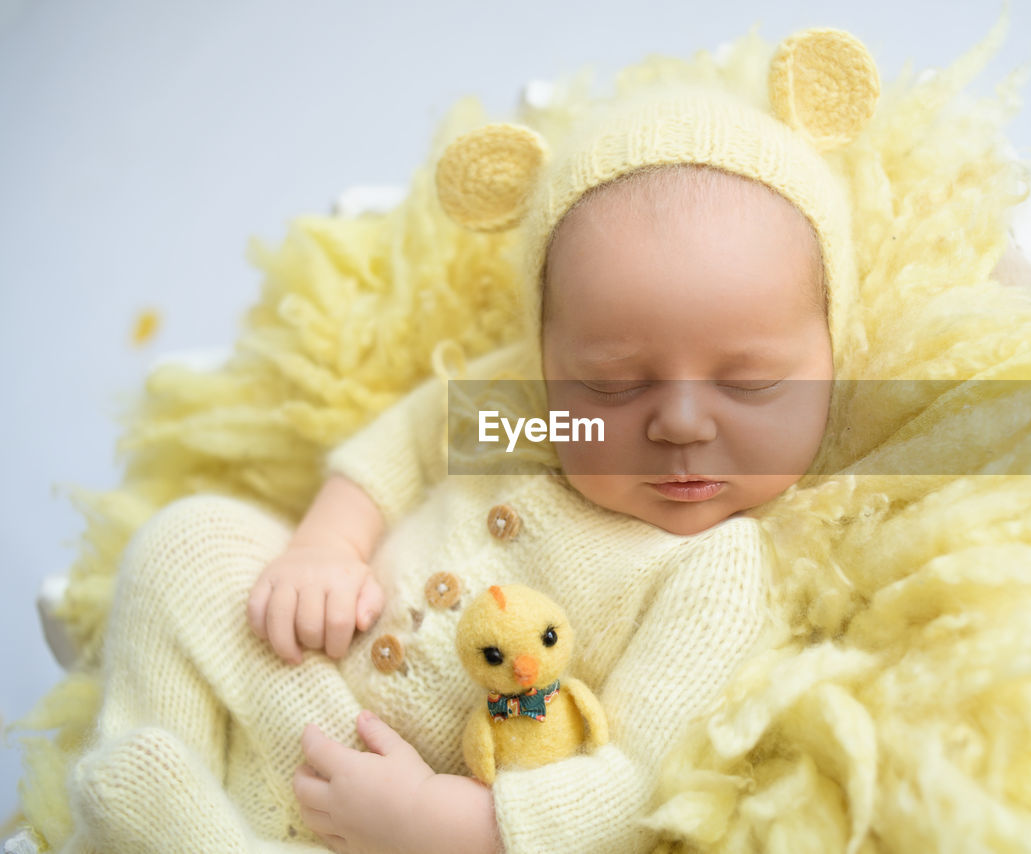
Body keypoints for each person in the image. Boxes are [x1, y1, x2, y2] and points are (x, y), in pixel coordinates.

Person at [63, 26, 901, 854]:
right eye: (613, 383)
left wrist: (442, 825)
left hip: (416, 816)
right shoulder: (527, 414)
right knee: (188, 542)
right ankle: (162, 779)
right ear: (547, 359)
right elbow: (400, 448)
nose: (681, 424)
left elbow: (638, 776)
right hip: (305, 678)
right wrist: (326, 547)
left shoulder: (714, 571)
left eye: (751, 384)